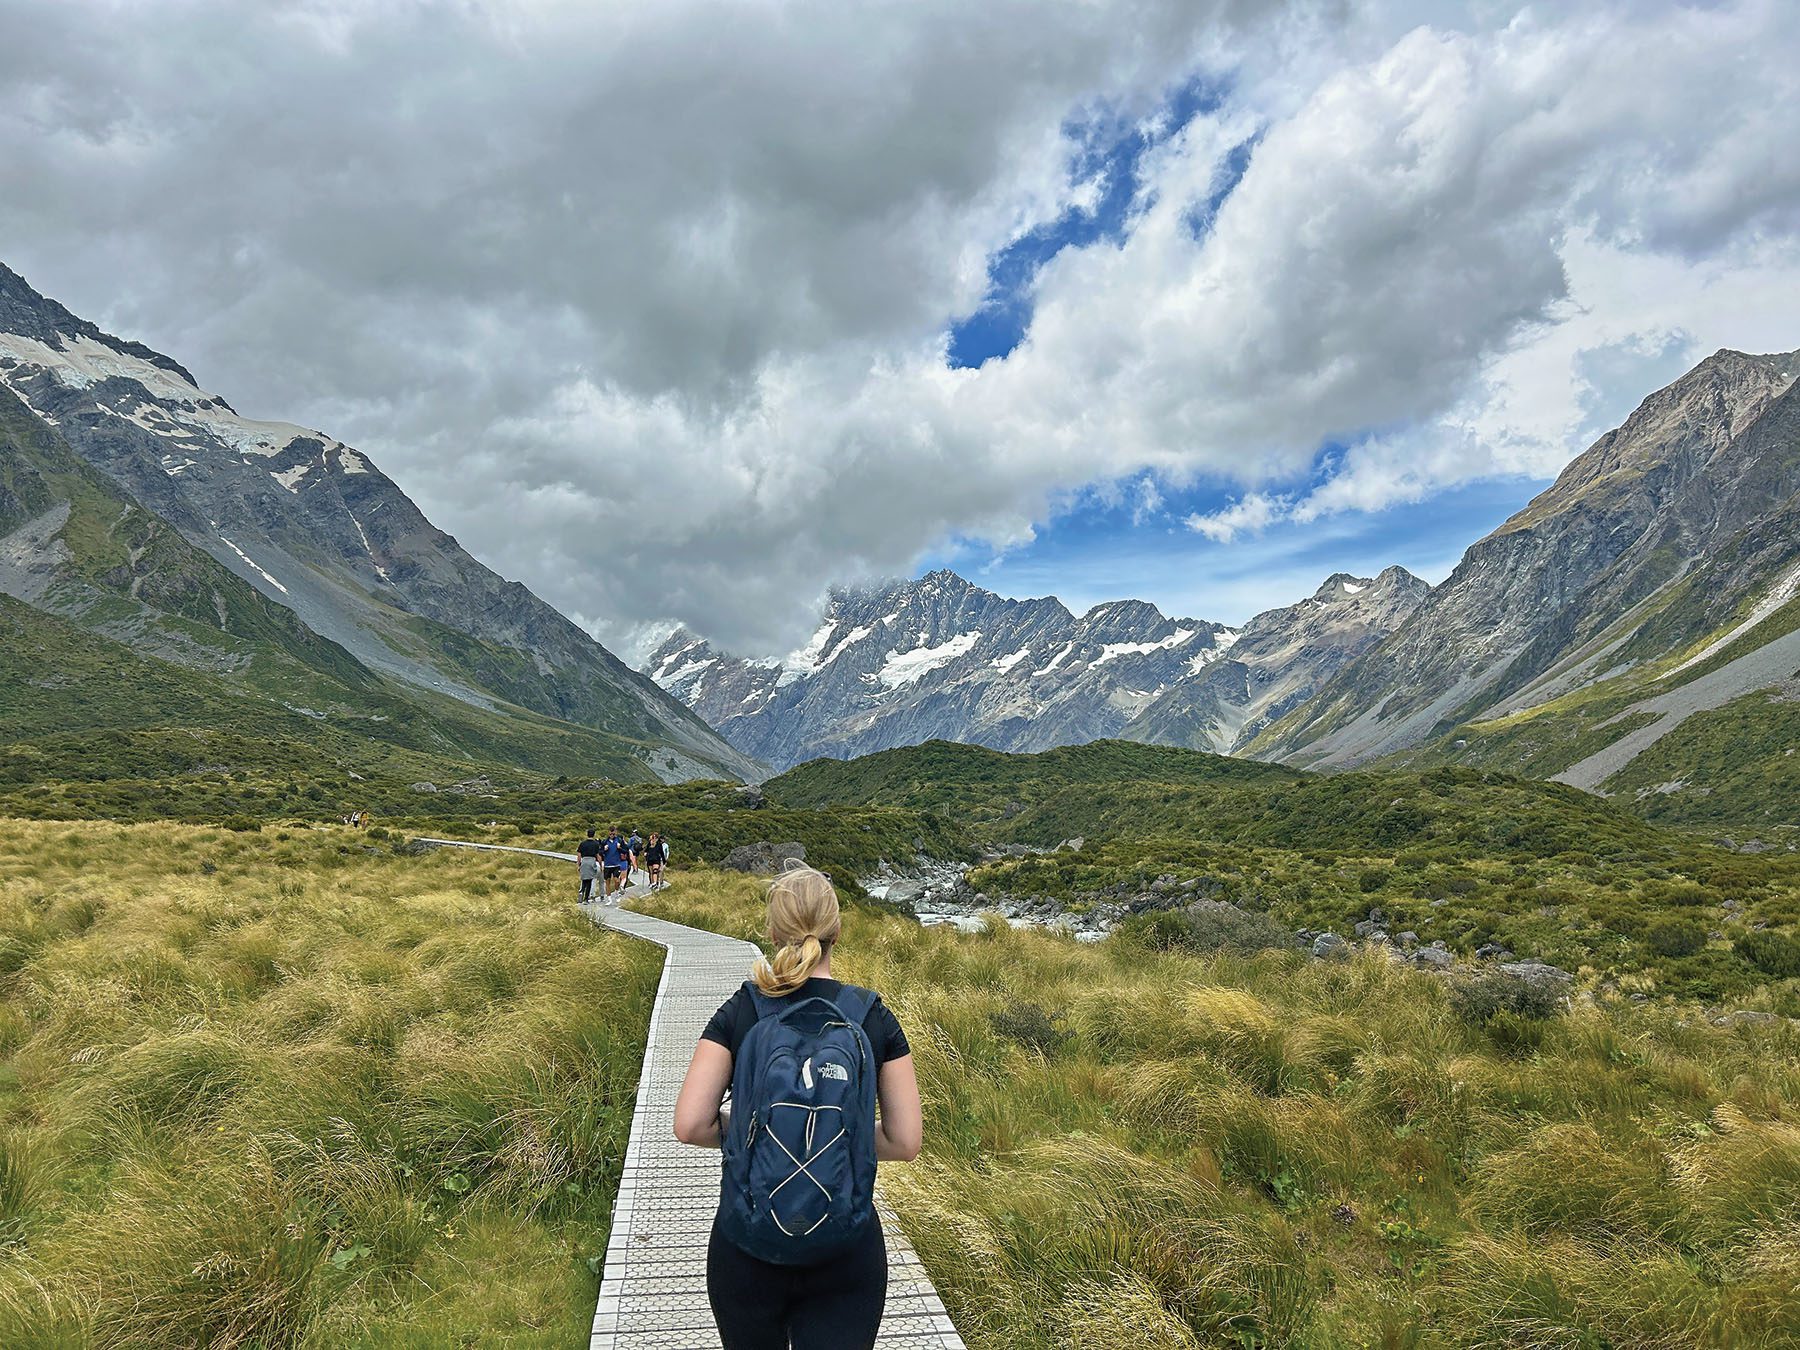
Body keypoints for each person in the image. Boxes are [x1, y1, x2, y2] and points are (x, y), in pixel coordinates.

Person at [673, 866, 922, 1350]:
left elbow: (689, 1124)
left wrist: (758, 1129)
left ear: (772, 932)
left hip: (747, 1245)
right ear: (837, 931)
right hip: (845, 1249)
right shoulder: (873, 1016)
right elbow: (905, 1141)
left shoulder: (741, 1010)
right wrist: (836, 1132)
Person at [600, 826, 630, 901]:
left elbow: (626, 851)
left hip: (616, 864)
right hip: (607, 865)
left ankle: (617, 892)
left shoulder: (619, 840)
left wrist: (620, 848)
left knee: (617, 880)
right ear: (608, 833)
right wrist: (604, 849)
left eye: (613, 833)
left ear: (615, 832)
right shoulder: (604, 841)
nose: (612, 834)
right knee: (607, 882)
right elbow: (600, 852)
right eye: (610, 833)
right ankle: (609, 899)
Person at [576, 827, 602, 902]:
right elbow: (598, 856)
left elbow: (579, 855)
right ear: (593, 835)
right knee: (590, 880)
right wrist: (600, 865)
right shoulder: (596, 844)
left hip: (584, 861)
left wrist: (578, 865)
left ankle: (581, 892)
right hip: (592, 861)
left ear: (587, 834)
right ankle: (586, 899)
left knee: (584, 879)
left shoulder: (582, 843)